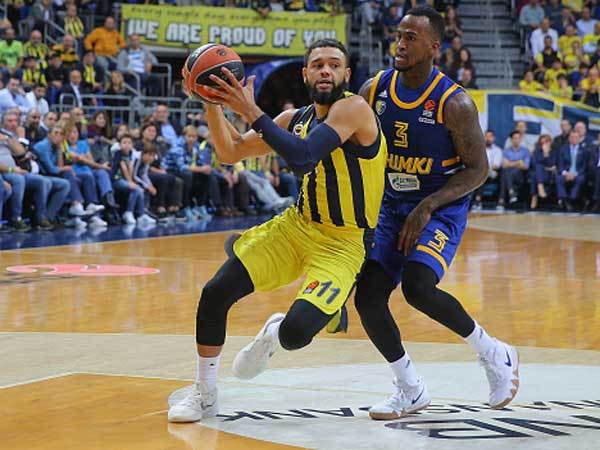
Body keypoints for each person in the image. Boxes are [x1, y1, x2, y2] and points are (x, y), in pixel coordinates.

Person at [167, 38, 387, 423]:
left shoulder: (354, 108)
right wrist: (213, 104)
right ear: (305, 74)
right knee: (215, 292)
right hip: (297, 226)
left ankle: (281, 329)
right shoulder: (293, 120)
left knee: (296, 334)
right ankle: (205, 394)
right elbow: (230, 152)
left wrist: (250, 110)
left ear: (346, 75)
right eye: (317, 64)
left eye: (334, 65)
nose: (325, 70)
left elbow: (303, 156)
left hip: (344, 243)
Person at [354, 6, 520, 421]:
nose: (400, 44)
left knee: (418, 287)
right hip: (391, 206)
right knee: (369, 297)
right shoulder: (374, 90)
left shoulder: (454, 103)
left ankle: (493, 352)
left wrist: (429, 206)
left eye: (411, 38)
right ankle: (410, 389)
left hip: (440, 206)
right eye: (398, 35)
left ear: (434, 46)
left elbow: (479, 169)